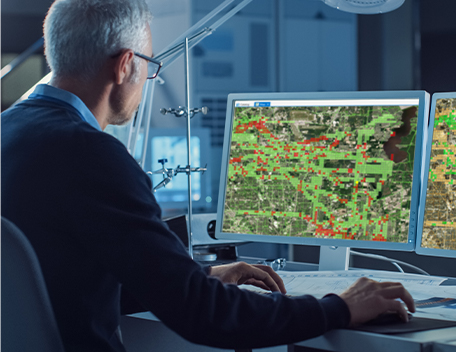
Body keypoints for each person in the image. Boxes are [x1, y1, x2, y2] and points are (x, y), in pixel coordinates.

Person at [0, 0, 415, 351]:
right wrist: (338, 307)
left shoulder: (9, 131)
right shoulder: (93, 155)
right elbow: (203, 314)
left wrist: (195, 275)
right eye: (149, 64)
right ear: (126, 65)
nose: (149, 76)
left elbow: (57, 280)